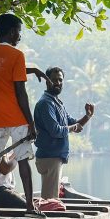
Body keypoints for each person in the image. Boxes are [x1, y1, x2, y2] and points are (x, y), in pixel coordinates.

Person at [0, 13, 49, 217]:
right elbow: (20, 92)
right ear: (11, 32)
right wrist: (31, 123)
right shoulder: (17, 56)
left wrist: (32, 69)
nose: (19, 36)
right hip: (17, 118)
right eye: (18, 31)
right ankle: (29, 207)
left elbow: (1, 69)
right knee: (24, 160)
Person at [34, 66, 95, 199]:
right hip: (49, 158)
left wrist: (87, 116)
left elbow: (73, 124)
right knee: (50, 200)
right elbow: (56, 131)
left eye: (60, 80)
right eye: (54, 80)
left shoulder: (57, 103)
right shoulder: (46, 103)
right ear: (47, 81)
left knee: (50, 198)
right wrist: (73, 127)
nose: (58, 83)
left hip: (54, 157)